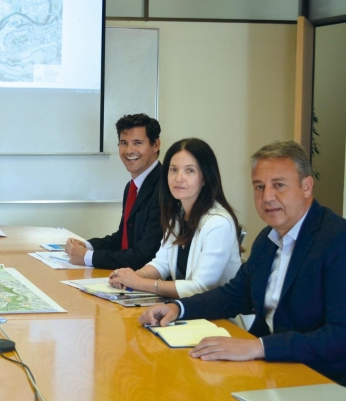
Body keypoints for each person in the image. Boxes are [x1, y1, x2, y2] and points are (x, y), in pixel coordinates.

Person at [140, 140, 346, 385]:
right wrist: (178, 309)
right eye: (259, 187)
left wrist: (258, 347)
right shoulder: (268, 239)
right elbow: (234, 295)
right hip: (268, 369)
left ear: (306, 186)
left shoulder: (336, 240)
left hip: (319, 378)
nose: (267, 197)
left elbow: (339, 336)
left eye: (279, 185)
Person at [108, 138, 241, 298]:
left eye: (189, 170)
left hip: (221, 319)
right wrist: (132, 276)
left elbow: (199, 287)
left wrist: (139, 283)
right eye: (173, 170)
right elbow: (161, 264)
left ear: (205, 177)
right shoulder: (177, 216)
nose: (179, 178)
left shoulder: (219, 223)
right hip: (188, 310)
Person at [66, 113, 163, 268]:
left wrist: (87, 257)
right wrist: (86, 245)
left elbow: (145, 255)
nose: (129, 150)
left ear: (156, 145)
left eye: (137, 143)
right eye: (124, 143)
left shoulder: (165, 187)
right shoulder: (131, 187)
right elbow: (123, 238)